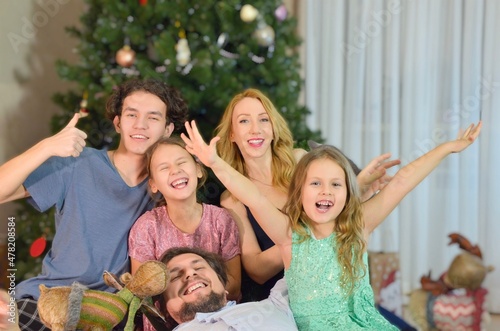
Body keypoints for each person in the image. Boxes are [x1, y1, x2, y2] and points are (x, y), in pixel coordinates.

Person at [181, 120, 482, 330]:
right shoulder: (290, 235)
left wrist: (448, 148)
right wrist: (214, 162)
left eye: (336, 184)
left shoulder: (359, 224)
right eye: (316, 183)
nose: (326, 191)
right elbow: (254, 197)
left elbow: (402, 181)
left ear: (349, 192)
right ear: (299, 192)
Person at [0, 78, 189, 330]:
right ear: (118, 122)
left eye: (153, 118)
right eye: (132, 114)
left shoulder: (168, 184)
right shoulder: (77, 163)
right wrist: (46, 147)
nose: (140, 125)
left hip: (114, 312)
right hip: (52, 300)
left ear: (167, 129)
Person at [214, 88, 400, 302]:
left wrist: (361, 192)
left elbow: (343, 219)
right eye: (244, 121)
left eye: (264, 120)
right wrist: (304, 233)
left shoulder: (300, 161)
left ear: (274, 129)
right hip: (281, 301)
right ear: (232, 134)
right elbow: (256, 270)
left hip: (330, 285)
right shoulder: (232, 199)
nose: (256, 129)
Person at [128, 136, 241, 331]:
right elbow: (143, 292)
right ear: (154, 184)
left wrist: (199, 296)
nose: (175, 170)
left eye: (181, 162)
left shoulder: (221, 219)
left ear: (198, 169)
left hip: (220, 320)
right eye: (164, 168)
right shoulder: (147, 227)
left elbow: (234, 286)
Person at [155, 246, 297, 331]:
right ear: (164, 309)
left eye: (199, 267)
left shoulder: (278, 303)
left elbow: (306, 243)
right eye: (174, 277)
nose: (190, 273)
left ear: (224, 286)